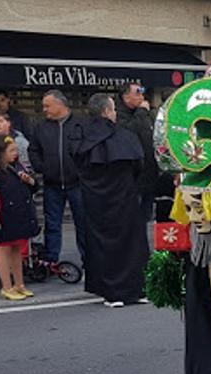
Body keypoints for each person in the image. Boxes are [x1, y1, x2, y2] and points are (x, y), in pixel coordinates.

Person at [71, 93, 148, 308]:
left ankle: (112, 292)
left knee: (103, 245)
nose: (115, 113)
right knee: (131, 243)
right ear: (106, 111)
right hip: (125, 197)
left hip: (97, 199)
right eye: (113, 109)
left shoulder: (80, 134)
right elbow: (138, 165)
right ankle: (136, 289)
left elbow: (77, 164)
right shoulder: (124, 136)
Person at [29, 90, 87, 266]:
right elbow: (33, 150)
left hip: (78, 183)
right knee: (52, 223)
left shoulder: (80, 124)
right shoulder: (41, 127)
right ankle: (51, 259)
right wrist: (42, 167)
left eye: (47, 105)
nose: (44, 109)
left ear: (60, 105)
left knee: (83, 223)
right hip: (52, 183)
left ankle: (89, 259)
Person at [0, 135, 39, 301]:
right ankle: (6, 286)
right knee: (4, 249)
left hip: (20, 213)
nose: (16, 153)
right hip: (4, 215)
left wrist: (31, 182)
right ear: (0, 153)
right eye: (11, 150)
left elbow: (34, 188)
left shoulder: (17, 168)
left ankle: (19, 284)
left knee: (17, 249)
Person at [116, 83, 162, 224]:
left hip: (149, 175)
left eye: (142, 93)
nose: (142, 97)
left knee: (145, 217)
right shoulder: (119, 115)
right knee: (130, 219)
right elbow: (130, 132)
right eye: (137, 93)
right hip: (131, 178)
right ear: (126, 97)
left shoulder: (147, 114)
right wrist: (141, 112)